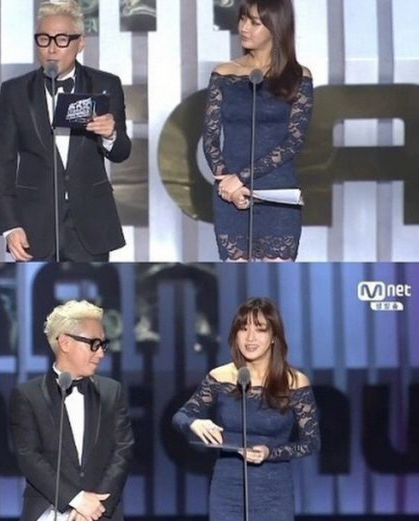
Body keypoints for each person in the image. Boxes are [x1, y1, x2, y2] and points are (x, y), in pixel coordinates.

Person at [0, 0, 131, 262]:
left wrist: (110, 134)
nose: (52, 49)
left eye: (62, 40)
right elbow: (1, 162)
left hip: (90, 223)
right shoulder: (14, 92)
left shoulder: (105, 84)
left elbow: (121, 152)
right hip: (33, 224)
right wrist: (10, 225)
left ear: (80, 43)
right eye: (44, 39)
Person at [173, 297, 320, 521]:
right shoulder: (221, 376)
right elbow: (180, 416)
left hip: (274, 492)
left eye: (260, 329)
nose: (250, 337)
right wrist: (193, 422)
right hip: (227, 491)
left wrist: (270, 452)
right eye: (243, 329)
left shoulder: (294, 381)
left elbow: (311, 442)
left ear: (274, 336)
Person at [203, 0, 313, 262]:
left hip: (277, 194)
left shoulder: (298, 77)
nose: (244, 28)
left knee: (276, 274)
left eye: (254, 22)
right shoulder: (224, 73)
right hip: (230, 195)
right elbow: (210, 138)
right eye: (242, 19)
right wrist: (227, 183)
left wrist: (241, 178)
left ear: (276, 27)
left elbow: (293, 142)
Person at [9, 300, 134, 521]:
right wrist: (76, 499)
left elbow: (122, 450)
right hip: (47, 512)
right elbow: (29, 456)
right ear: (65, 343)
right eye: (94, 344)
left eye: (103, 345)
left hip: (101, 512)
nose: (101, 353)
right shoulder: (28, 395)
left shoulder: (111, 391)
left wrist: (95, 507)